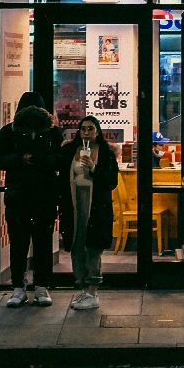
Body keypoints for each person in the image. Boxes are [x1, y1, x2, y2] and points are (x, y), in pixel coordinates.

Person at [0, 90, 62, 308]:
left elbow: (59, 159)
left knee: (29, 243)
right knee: (28, 242)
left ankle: (30, 287)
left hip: (32, 194)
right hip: (30, 195)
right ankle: (28, 287)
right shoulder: (11, 132)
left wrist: (35, 159)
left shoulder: (48, 133)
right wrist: (23, 159)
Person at [58, 115, 119, 311]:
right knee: (77, 246)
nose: (86, 132)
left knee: (93, 248)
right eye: (83, 129)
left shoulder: (107, 153)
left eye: (90, 129)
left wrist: (94, 168)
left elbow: (111, 182)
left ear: (98, 131)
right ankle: (83, 288)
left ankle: (92, 290)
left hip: (97, 207)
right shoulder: (69, 151)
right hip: (75, 206)